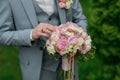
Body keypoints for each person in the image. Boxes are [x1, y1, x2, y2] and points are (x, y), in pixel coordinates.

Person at [0, 0, 87, 80]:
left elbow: (80, 19)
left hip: (69, 64)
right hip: (37, 68)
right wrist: (31, 34)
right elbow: (2, 34)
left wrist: (77, 37)